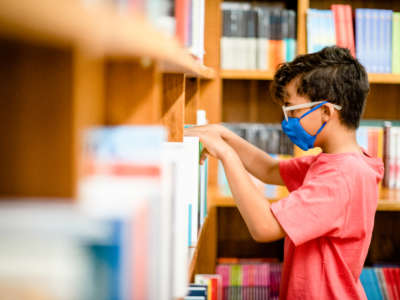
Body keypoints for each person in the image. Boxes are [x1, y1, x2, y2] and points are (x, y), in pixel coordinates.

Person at [184, 46, 384, 299]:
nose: (287, 120)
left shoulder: (340, 177)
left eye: (293, 110)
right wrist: (223, 134)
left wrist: (226, 154)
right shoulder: (337, 164)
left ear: (326, 111)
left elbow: (264, 227)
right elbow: (269, 169)